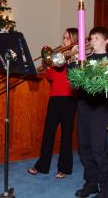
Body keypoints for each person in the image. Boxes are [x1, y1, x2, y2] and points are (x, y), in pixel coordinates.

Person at [27, 28, 78, 179]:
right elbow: (51, 78)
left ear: (74, 39)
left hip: (69, 98)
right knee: (48, 133)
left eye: (67, 38)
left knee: (66, 135)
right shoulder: (58, 56)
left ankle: (65, 168)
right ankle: (42, 165)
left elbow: (73, 77)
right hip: (54, 97)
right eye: (63, 38)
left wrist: (72, 58)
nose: (64, 41)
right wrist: (49, 64)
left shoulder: (76, 57)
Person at [75, 26, 108, 198]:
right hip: (83, 106)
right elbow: (73, 80)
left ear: (106, 41)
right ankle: (91, 183)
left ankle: (105, 190)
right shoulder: (84, 58)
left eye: (96, 38)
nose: (92, 41)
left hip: (100, 108)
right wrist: (76, 60)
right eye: (91, 38)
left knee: (99, 150)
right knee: (84, 148)